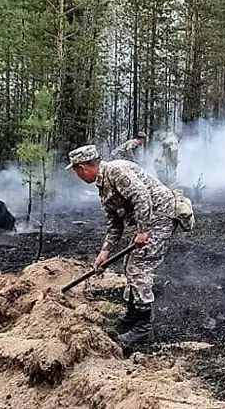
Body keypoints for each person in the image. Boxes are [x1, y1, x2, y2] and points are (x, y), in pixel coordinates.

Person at [66, 144, 176, 346]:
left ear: (82, 168)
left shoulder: (115, 171)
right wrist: (105, 252)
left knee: (138, 266)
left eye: (75, 171)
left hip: (160, 215)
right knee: (128, 264)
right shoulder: (103, 186)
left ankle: (143, 328)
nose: (77, 176)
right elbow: (115, 223)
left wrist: (143, 230)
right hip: (149, 218)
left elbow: (142, 196)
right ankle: (132, 315)